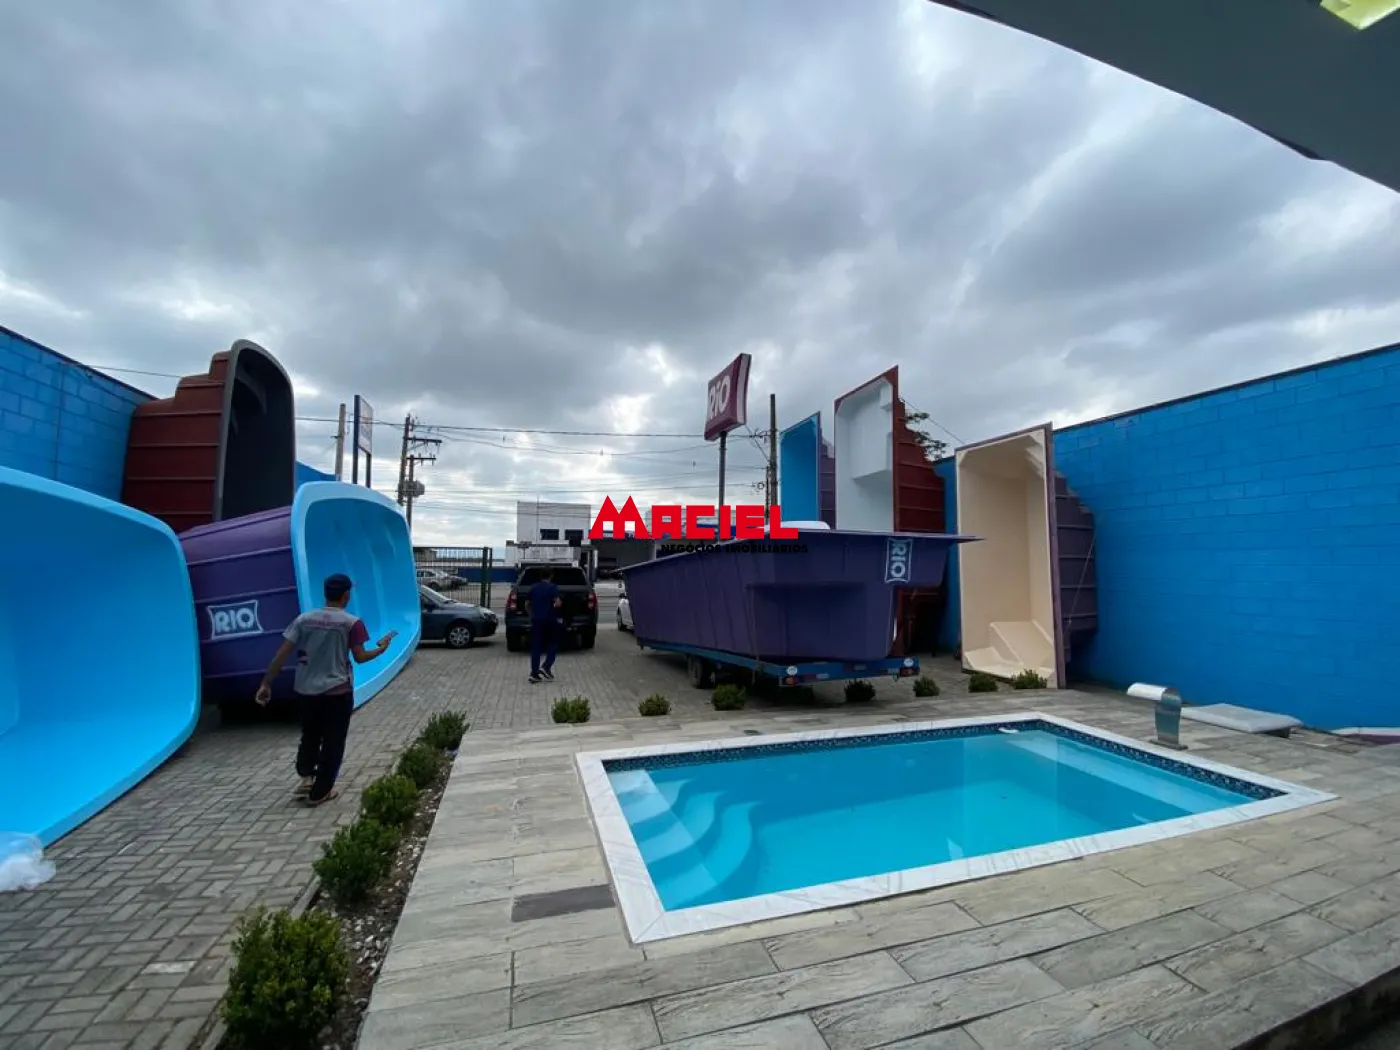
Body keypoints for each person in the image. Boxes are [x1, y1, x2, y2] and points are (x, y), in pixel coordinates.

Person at [255, 573, 396, 806]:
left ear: (326, 593)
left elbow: (281, 654)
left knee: (310, 735)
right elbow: (360, 657)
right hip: (336, 692)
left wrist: (266, 683)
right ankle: (320, 792)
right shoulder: (351, 623)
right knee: (333, 741)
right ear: (346, 595)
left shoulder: (304, 619)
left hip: (305, 691)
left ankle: (307, 777)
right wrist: (382, 648)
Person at [526, 567, 563, 684]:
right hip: (550, 619)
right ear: (551, 576)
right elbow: (558, 603)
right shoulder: (552, 587)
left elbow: (527, 604)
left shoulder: (533, 587)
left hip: (537, 620)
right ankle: (546, 666)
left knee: (536, 647)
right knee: (553, 643)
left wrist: (532, 615)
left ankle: (534, 674)